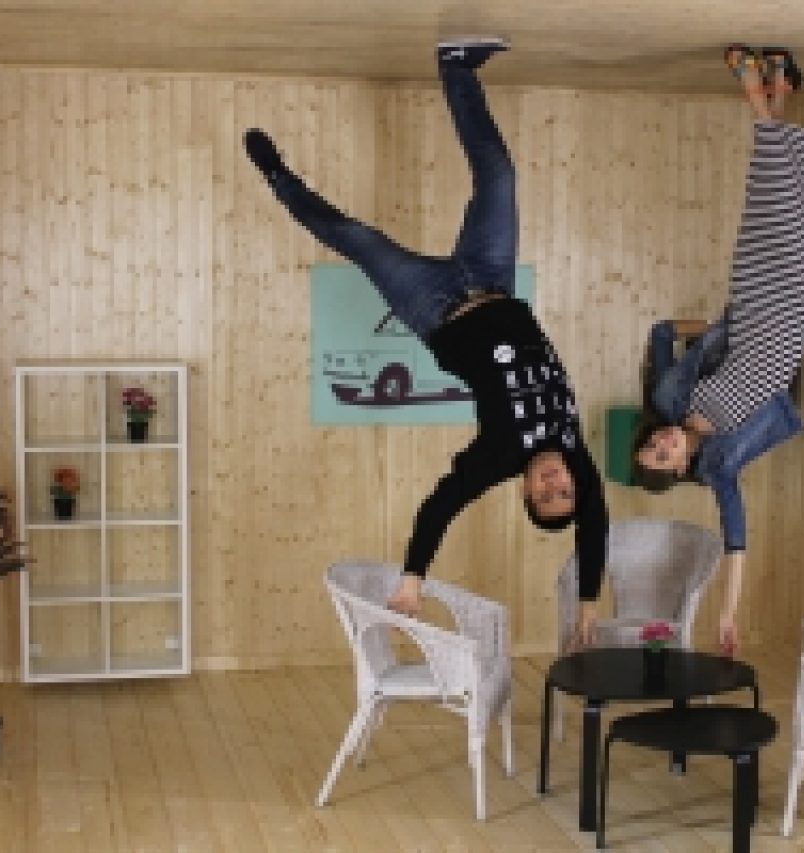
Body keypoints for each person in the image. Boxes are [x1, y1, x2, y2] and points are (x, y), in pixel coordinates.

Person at [242, 38, 608, 646]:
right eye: (565, 490)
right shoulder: (574, 453)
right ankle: (456, 67)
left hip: (432, 305)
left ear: (525, 491)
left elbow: (440, 505)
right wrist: (589, 607)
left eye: (546, 496)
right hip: (492, 276)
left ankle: (278, 177)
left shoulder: (496, 458)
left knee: (354, 236)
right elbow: (594, 527)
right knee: (500, 175)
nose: (556, 484)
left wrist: (412, 579)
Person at [632, 45, 804, 656]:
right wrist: (727, 616)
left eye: (653, 443)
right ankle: (758, 98)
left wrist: (717, 321)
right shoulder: (720, 467)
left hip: (748, 304)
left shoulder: (671, 398)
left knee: (776, 215)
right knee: (794, 224)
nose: (663, 443)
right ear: (679, 470)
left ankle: (779, 93)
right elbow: (736, 541)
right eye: (663, 457)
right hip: (791, 319)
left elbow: (661, 334)